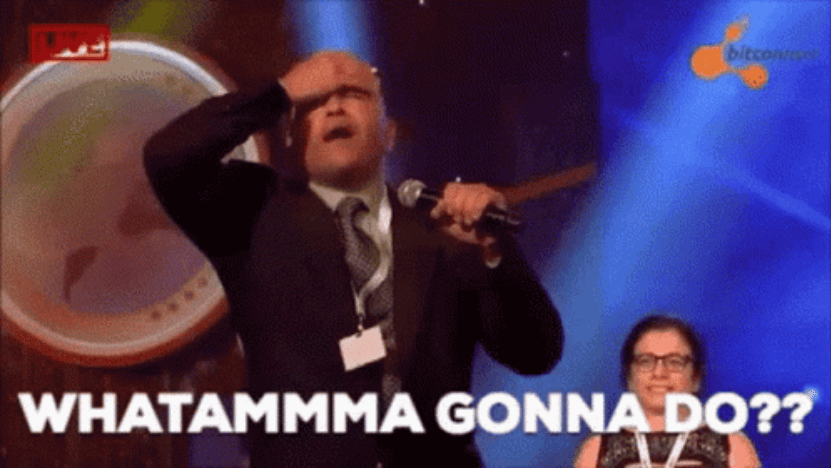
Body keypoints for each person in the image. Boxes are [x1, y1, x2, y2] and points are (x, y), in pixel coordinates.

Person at [143, 50, 563, 467]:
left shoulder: (445, 226)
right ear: (289, 135)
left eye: (354, 94)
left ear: (389, 133)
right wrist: (280, 93)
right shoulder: (249, 211)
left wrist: (493, 251)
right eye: (313, 100)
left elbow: (536, 354)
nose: (334, 106)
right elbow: (167, 157)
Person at [573, 315, 760, 468]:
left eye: (674, 362)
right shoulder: (596, 451)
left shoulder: (733, 447)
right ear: (628, 376)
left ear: (696, 377)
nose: (659, 373)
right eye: (646, 361)